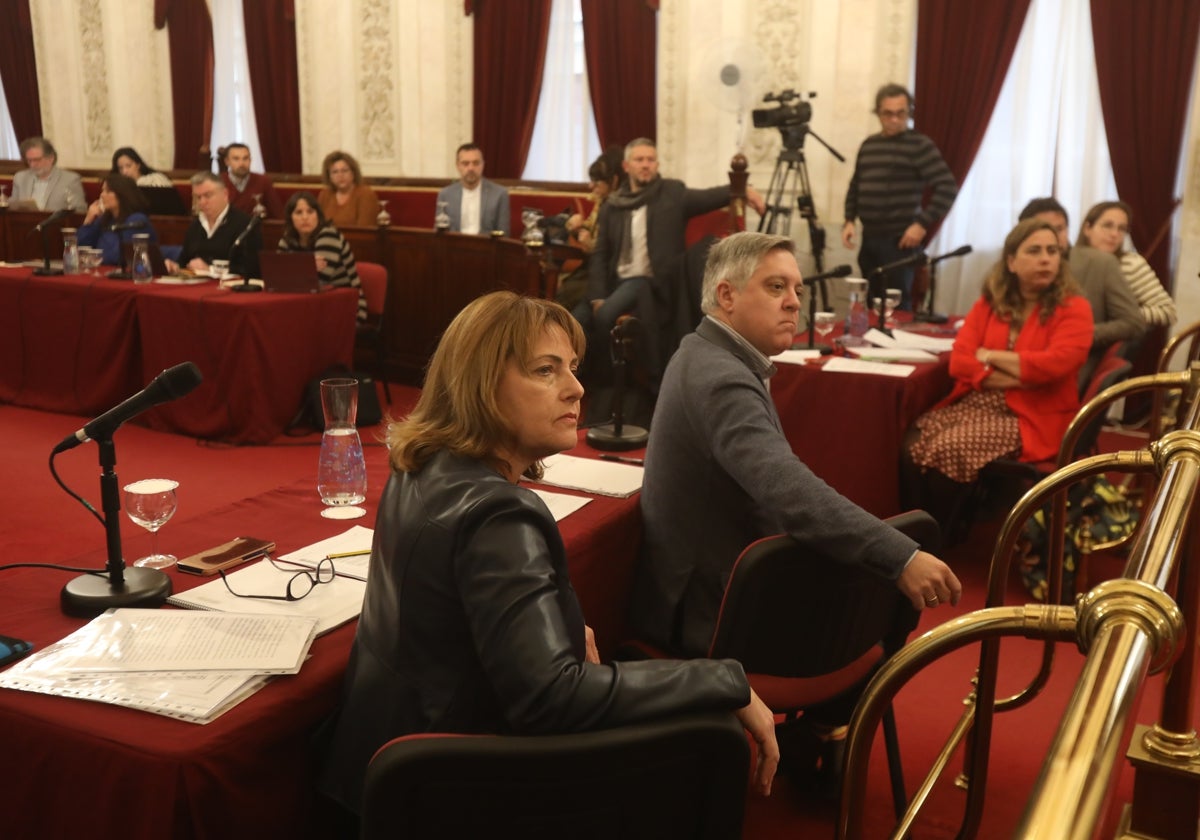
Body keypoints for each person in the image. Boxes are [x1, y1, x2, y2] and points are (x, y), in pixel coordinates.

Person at [318, 290, 778, 818]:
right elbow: (551, 700)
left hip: (383, 773)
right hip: (457, 790)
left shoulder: (419, 464)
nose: (577, 388)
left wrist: (555, 628)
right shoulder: (499, 514)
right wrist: (723, 679)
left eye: (574, 368)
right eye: (545, 370)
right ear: (481, 387)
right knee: (711, 732)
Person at [634, 230, 961, 661]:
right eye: (776, 287)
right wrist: (898, 558)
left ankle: (833, 720)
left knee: (876, 554)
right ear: (726, 296)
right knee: (887, 565)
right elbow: (787, 490)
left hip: (732, 585)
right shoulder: (720, 376)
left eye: (797, 289)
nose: (794, 301)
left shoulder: (712, 353)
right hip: (710, 612)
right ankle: (832, 719)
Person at [902, 218, 1094, 526]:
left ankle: (944, 535)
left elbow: (1055, 366)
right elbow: (960, 362)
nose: (1046, 258)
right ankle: (919, 530)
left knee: (948, 449)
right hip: (979, 402)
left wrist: (990, 356)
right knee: (914, 443)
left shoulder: (1075, 308)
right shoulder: (990, 303)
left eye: (1053, 251)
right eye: (1034, 251)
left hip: (1035, 414)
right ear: (1011, 262)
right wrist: (1022, 375)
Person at [587, 137, 765, 345]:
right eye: (639, 160)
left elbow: (708, 197)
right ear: (626, 166)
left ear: (657, 165)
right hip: (615, 280)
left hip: (652, 282)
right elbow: (600, 253)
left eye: (650, 160)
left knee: (604, 316)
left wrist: (743, 189)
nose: (646, 164)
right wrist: (597, 296)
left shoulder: (672, 193)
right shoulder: (613, 204)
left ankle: (610, 376)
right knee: (577, 320)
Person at [841, 84, 959, 311]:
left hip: (900, 240)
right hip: (870, 238)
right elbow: (856, 185)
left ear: (909, 113)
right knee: (871, 303)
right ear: (878, 113)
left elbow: (947, 187)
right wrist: (849, 220)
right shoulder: (869, 145)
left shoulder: (920, 145)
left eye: (901, 113)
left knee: (896, 306)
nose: (894, 119)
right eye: (888, 113)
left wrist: (921, 224)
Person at [1018, 197, 1144, 383]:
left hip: (1069, 373)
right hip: (1016, 362)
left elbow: (1133, 322)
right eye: (1043, 229)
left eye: (1059, 229)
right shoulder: (1016, 264)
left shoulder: (1099, 263)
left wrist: (1080, 335)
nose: (1052, 236)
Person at [1077, 200, 1176, 329]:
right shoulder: (1068, 259)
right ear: (1087, 228)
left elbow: (1168, 311)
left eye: (1121, 228)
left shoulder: (1130, 264)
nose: (1114, 234)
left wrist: (1122, 315)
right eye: (1107, 225)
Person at [555, 146, 624, 314]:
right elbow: (591, 229)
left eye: (597, 182)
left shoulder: (621, 207)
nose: (590, 185)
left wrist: (591, 245)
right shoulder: (601, 201)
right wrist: (577, 226)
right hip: (591, 268)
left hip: (608, 275)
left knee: (566, 299)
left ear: (614, 181)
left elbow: (614, 251)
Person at [278, 191, 367, 322]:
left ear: (318, 215)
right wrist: (307, 265)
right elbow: (277, 279)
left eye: (310, 211)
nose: (305, 217)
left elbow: (319, 281)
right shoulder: (287, 240)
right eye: (298, 212)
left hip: (346, 308)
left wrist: (293, 268)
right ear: (290, 218)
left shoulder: (328, 235)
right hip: (306, 306)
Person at [165, 172, 262, 278]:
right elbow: (185, 261)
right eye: (198, 197)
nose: (202, 202)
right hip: (196, 288)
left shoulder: (245, 225)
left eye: (207, 195)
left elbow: (251, 269)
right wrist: (175, 267)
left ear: (225, 194)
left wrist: (210, 270)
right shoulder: (195, 226)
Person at [76, 173, 158, 267]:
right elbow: (80, 248)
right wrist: (88, 220)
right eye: (102, 191)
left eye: (108, 191)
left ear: (122, 195)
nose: (102, 195)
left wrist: (93, 257)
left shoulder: (137, 220)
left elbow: (118, 256)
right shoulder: (105, 219)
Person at [435, 142, 510, 236]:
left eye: (476, 163)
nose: (471, 168)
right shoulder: (445, 194)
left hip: (487, 248)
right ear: (458, 166)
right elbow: (439, 233)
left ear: (483, 165)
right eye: (465, 163)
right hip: (455, 248)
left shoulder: (499, 194)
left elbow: (504, 234)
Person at [11, 137, 86, 212]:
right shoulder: (20, 178)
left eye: (37, 160)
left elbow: (79, 210)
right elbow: (13, 207)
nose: (32, 165)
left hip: (56, 222)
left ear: (51, 158)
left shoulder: (70, 180)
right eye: (29, 160)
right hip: (25, 221)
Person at [317, 150, 381, 228]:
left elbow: (365, 231)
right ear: (329, 176)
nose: (340, 175)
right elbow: (317, 225)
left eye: (344, 170)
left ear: (353, 173)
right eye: (335, 172)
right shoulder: (325, 194)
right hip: (327, 239)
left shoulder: (365, 194)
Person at [219, 142, 284, 219]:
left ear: (250, 160)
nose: (241, 163)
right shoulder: (218, 182)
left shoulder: (263, 181)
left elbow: (278, 214)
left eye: (245, 158)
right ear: (227, 161)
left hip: (256, 228)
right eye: (236, 159)